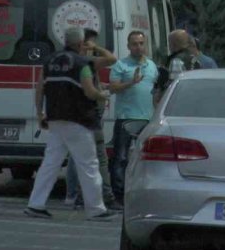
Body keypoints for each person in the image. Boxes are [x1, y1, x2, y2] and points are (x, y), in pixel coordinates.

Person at [25, 27, 117, 220]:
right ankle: (96, 209)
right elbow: (90, 90)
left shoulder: (49, 62)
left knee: (50, 163)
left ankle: (35, 204)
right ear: (81, 43)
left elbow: (40, 88)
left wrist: (40, 113)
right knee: (89, 165)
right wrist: (103, 95)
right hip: (78, 120)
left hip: (55, 119)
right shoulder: (83, 63)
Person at [65, 28, 121, 211]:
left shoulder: (67, 61)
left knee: (81, 159)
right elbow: (112, 59)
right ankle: (103, 196)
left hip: (77, 116)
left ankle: (80, 196)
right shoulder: (85, 62)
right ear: (83, 44)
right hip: (88, 116)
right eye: (90, 43)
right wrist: (95, 48)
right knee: (97, 160)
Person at [107, 31, 159, 205]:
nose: (139, 47)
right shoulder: (121, 65)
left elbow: (156, 91)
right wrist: (131, 82)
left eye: (141, 43)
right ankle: (119, 196)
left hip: (148, 119)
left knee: (147, 158)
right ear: (128, 46)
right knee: (121, 158)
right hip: (126, 118)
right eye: (135, 44)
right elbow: (112, 88)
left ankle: (143, 194)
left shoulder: (152, 66)